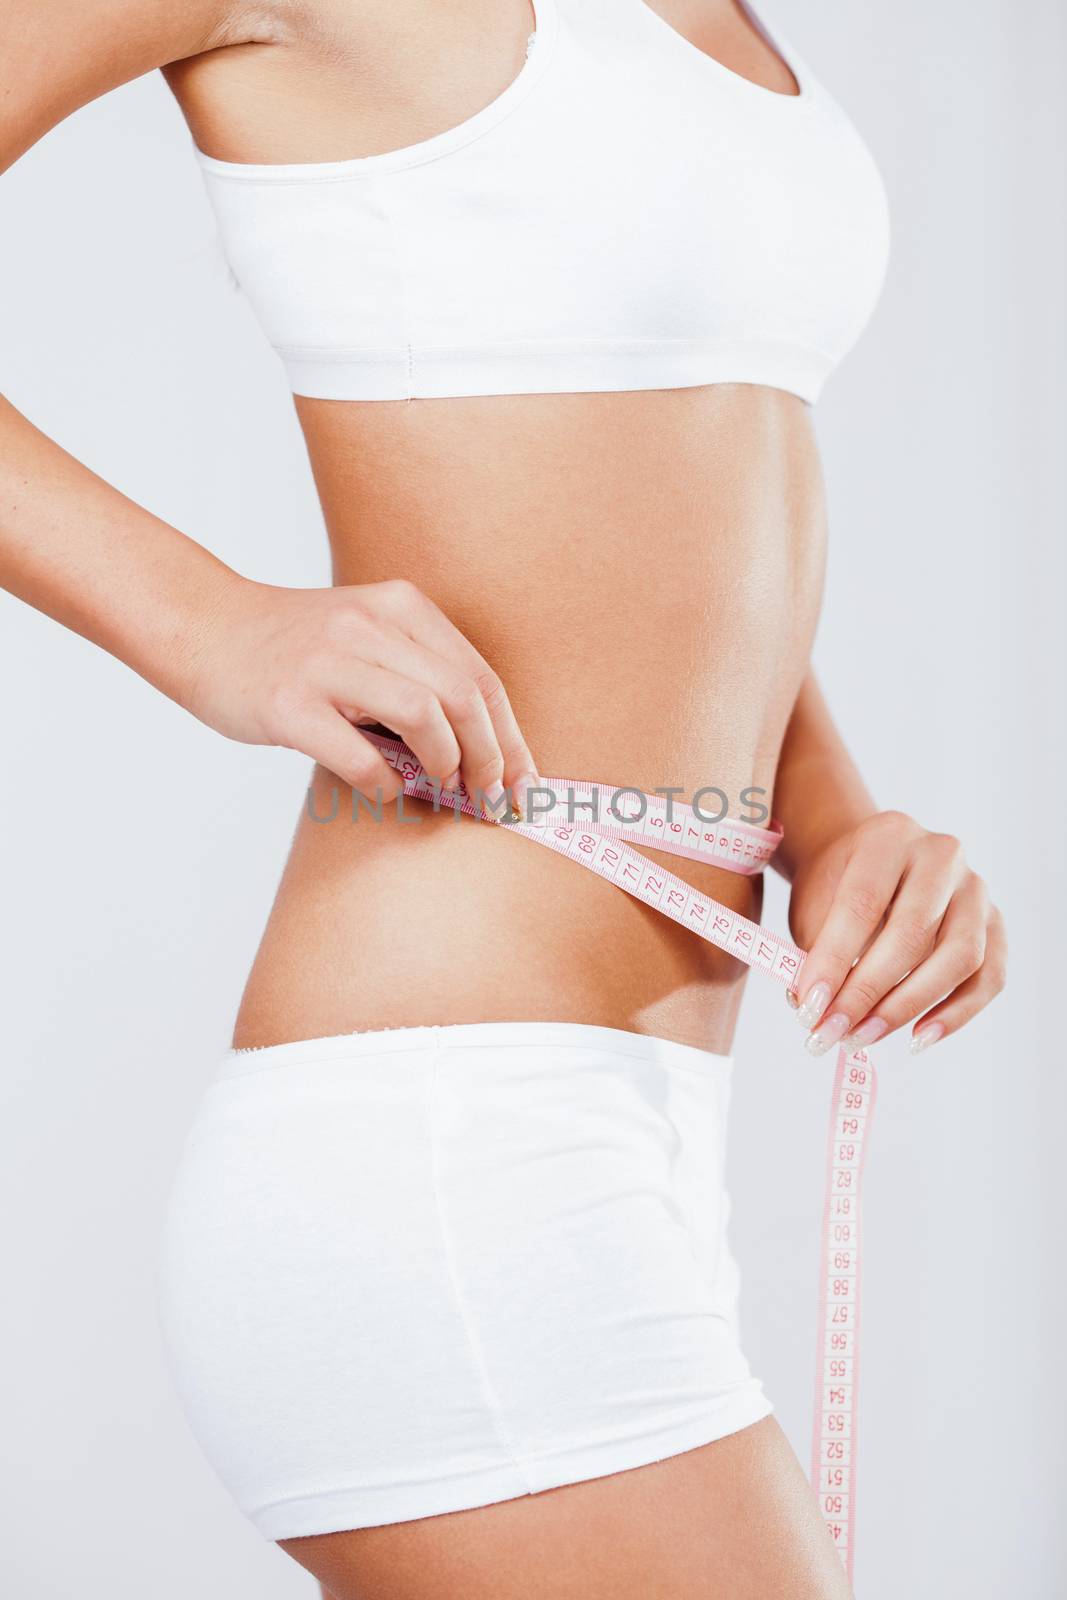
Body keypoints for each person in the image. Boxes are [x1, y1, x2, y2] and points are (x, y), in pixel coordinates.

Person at [0, 2, 1005, 1596]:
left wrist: (838, 821)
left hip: (642, 1137)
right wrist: (201, 622)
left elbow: (676, 492)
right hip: (447, 1143)